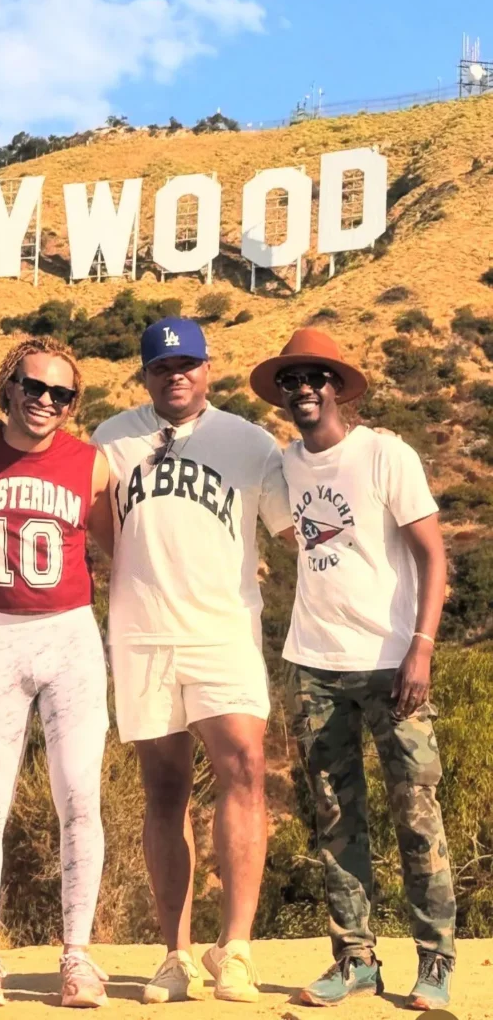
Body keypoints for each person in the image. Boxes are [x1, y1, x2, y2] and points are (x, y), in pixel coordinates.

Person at [249, 328, 457, 1012]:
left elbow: (432, 555)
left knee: (416, 812)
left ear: (338, 385)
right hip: (313, 665)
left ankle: (434, 961)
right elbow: (299, 544)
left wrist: (420, 645)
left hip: (391, 662)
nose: (303, 389)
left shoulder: (383, 455)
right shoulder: (283, 466)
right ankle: (356, 959)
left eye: (315, 377)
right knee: (336, 819)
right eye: (291, 380)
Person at [90, 317, 292, 1005]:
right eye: (161, 366)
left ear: (208, 367)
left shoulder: (250, 441)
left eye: (188, 363)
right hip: (142, 634)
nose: (176, 374)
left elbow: (299, 528)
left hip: (223, 629)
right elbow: (95, 527)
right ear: (144, 373)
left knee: (243, 767)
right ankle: (174, 954)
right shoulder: (111, 438)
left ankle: (234, 949)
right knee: (164, 788)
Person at [0, 336, 113, 1010]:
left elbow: (119, 547)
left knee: (80, 799)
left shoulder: (92, 464)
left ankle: (77, 954)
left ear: (73, 404)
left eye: (61, 393)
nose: (45, 400)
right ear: (9, 385)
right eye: (34, 386)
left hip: (70, 633)